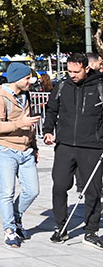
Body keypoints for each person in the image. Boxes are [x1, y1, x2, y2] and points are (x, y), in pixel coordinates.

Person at [43, 52, 103, 249]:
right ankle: (60, 226)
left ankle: (91, 231)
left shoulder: (100, 85)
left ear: (87, 68)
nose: (72, 75)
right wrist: (48, 131)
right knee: (59, 186)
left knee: (93, 190)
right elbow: (51, 109)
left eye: (76, 72)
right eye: (69, 71)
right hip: (65, 145)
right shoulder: (62, 86)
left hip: (92, 146)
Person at [0, 62, 40, 247]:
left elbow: (30, 126)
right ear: (18, 78)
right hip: (5, 150)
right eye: (27, 78)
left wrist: (34, 148)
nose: (30, 81)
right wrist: (20, 123)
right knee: (7, 193)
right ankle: (9, 229)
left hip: (26, 151)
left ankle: (16, 218)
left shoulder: (26, 95)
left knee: (33, 190)